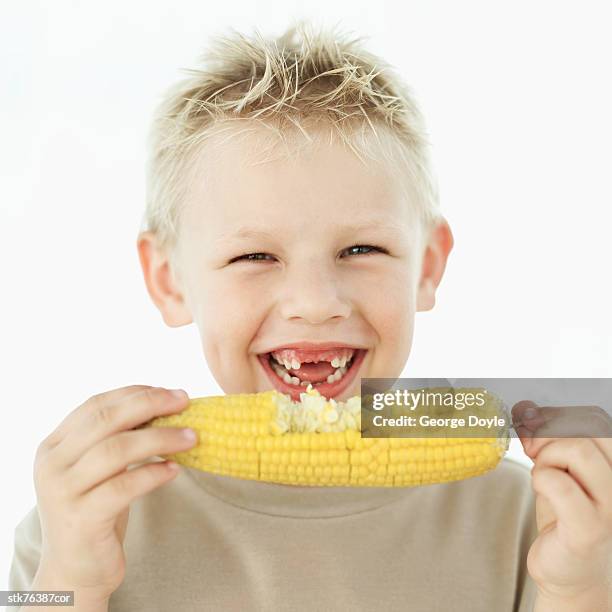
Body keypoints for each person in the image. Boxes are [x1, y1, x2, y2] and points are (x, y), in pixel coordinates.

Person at [8, 20, 611, 612]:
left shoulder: (538, 520)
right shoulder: (85, 516)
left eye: (361, 250)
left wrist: (577, 589)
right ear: (169, 281)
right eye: (254, 255)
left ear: (426, 266)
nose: (317, 302)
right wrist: (70, 582)